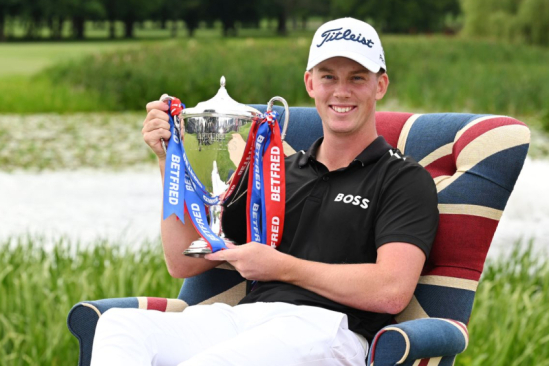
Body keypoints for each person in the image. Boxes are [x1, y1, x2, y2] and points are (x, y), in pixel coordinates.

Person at [91, 17, 438, 366]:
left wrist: (280, 267)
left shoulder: (403, 178)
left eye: (357, 78)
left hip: (328, 330)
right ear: (310, 83)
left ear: (380, 85)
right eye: (328, 76)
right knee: (120, 326)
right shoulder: (273, 174)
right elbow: (183, 260)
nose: (341, 91)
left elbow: (392, 290)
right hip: (246, 319)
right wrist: (171, 160)